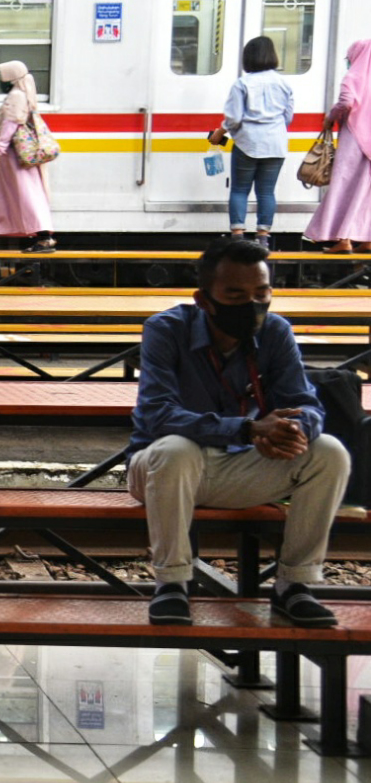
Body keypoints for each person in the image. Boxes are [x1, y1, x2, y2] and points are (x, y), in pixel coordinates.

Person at [128, 238, 348, 627]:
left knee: (329, 451)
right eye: (236, 294)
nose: (252, 304)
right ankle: (173, 584)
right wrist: (247, 428)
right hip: (163, 472)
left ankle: (293, 586)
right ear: (204, 299)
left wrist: (292, 429)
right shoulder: (165, 330)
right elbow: (156, 415)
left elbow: (307, 403)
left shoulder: (276, 331)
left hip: (241, 466)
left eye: (261, 293)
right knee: (176, 450)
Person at [210, 36, 294, 248]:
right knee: (266, 191)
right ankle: (263, 237)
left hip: (248, 143)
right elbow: (288, 117)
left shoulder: (242, 84)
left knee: (240, 190)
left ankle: (238, 235)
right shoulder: (284, 84)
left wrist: (220, 133)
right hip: (276, 144)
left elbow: (234, 118)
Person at [0, 60, 56, 253]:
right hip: (11, 156)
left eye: (2, 74)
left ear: (11, 76)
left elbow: (10, 125)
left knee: (25, 194)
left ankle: (44, 238)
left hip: (12, 157)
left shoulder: (16, 95)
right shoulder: (23, 93)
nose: (0, 79)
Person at [304, 40, 371, 253]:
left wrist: (331, 117)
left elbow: (346, 102)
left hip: (354, 141)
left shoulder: (353, 77)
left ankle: (344, 239)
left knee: (345, 187)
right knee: (365, 191)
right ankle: (367, 239)